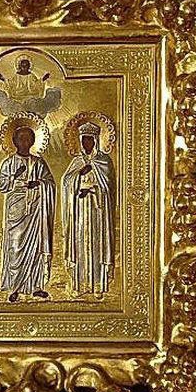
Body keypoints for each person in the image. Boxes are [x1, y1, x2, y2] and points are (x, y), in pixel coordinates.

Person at [0, 126, 55, 302]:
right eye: (21, 139)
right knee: (15, 247)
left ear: (32, 141)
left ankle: (35, 286)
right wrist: (14, 177)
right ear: (15, 141)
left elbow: (50, 183)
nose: (25, 142)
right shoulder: (8, 163)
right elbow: (1, 185)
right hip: (16, 212)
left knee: (35, 248)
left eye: (28, 139)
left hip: (35, 211)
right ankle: (15, 287)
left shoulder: (38, 163)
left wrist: (39, 184)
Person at [62, 121, 115, 298]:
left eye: (90, 140)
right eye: (84, 140)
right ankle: (80, 285)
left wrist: (93, 190)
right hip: (80, 210)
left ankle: (98, 285)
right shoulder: (77, 161)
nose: (87, 143)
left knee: (97, 244)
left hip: (98, 210)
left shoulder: (104, 161)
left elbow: (108, 187)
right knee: (80, 244)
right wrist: (79, 175)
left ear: (96, 140)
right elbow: (66, 183)